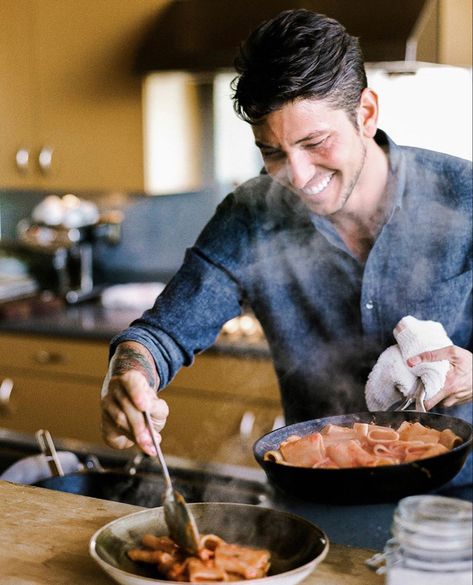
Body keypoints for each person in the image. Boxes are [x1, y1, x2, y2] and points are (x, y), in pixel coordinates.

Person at [101, 9, 472, 479]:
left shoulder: (465, 195)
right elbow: (161, 335)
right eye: (272, 151)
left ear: (366, 113)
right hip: (318, 496)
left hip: (458, 500)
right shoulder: (253, 215)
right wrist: (129, 375)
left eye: (315, 142)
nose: (295, 176)